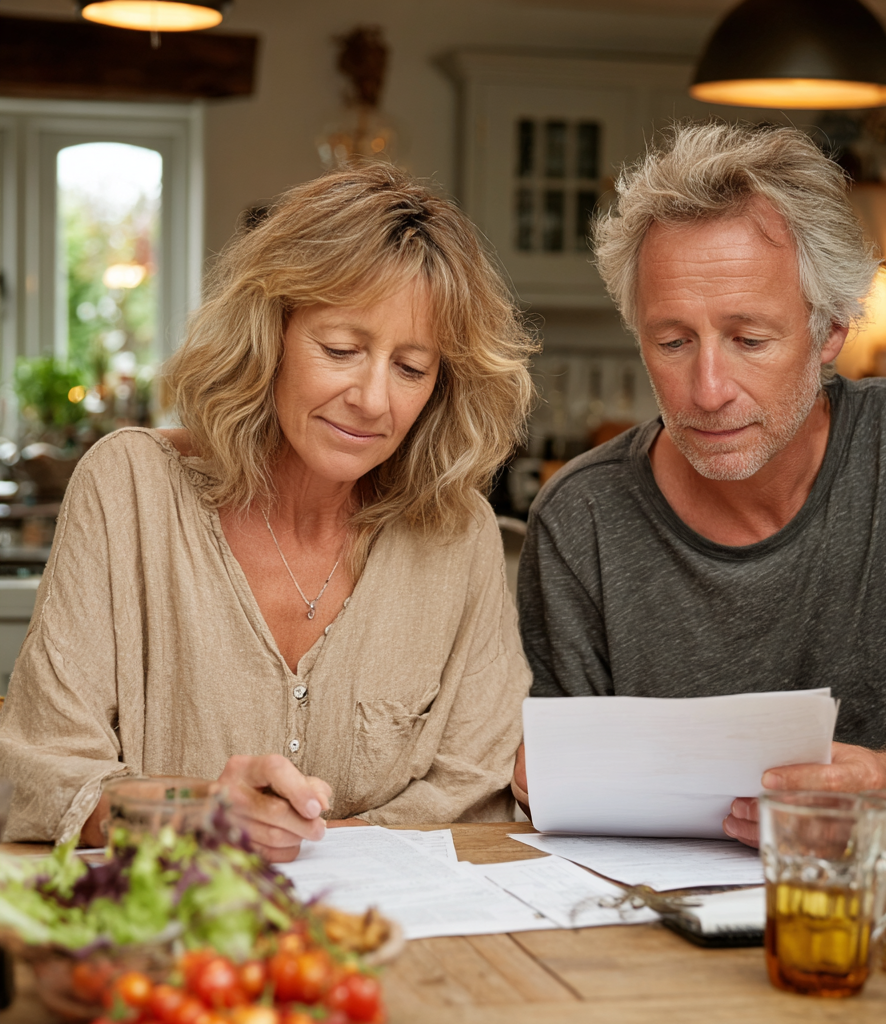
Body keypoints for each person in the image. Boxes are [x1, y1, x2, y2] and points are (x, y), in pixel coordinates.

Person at [0, 164, 535, 861]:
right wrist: (196, 815)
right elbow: (37, 775)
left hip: (395, 946)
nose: (374, 400)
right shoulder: (129, 489)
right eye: (341, 350)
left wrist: (319, 851)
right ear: (269, 333)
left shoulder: (459, 533)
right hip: (162, 948)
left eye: (411, 368)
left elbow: (478, 786)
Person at [512, 121, 886, 846]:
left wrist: (884, 786)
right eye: (672, 342)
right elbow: (557, 809)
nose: (709, 389)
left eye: (750, 339)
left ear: (831, 331)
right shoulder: (581, 517)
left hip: (876, 901)